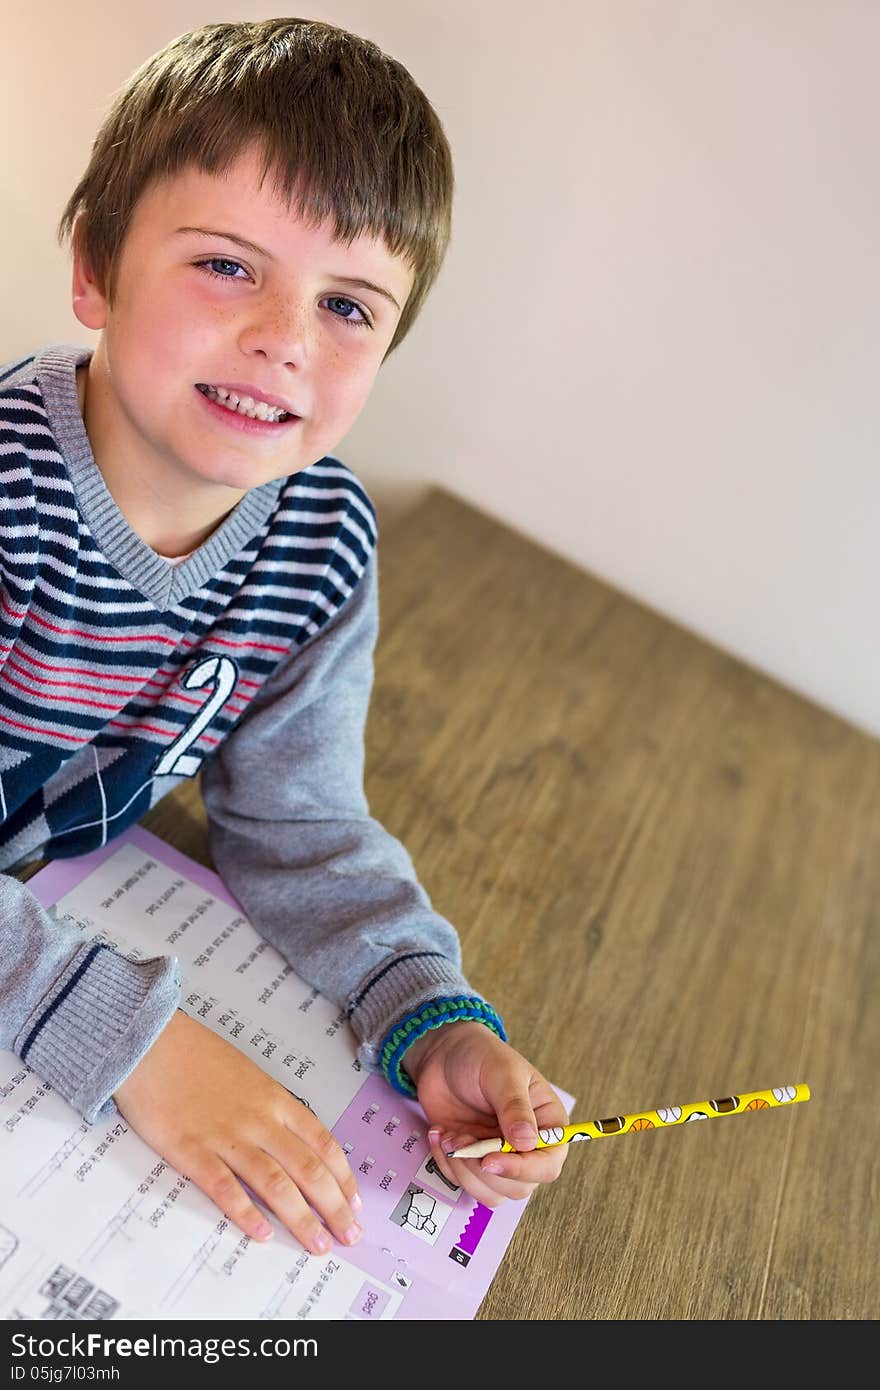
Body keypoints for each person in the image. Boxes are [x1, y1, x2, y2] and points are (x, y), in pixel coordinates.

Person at [0, 17, 567, 1256]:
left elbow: (298, 822)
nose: (286, 338)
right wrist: (118, 1030)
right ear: (95, 266)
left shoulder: (318, 540)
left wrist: (423, 1008)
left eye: (350, 304)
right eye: (226, 266)